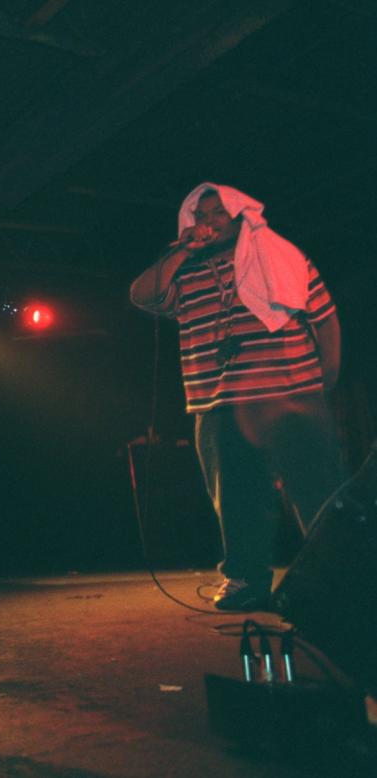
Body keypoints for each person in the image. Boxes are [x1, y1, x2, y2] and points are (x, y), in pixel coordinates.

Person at [129, 183, 343, 611]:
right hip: (220, 402)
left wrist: (325, 382)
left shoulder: (281, 256)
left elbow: (325, 320)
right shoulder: (184, 274)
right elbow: (143, 294)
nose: (208, 223)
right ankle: (246, 581)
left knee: (316, 492)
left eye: (218, 214)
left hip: (292, 394)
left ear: (241, 215)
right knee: (237, 498)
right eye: (201, 216)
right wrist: (182, 252)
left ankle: (339, 578)